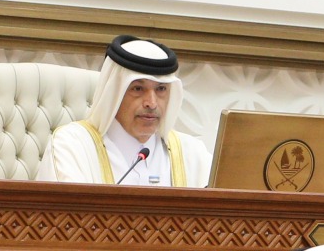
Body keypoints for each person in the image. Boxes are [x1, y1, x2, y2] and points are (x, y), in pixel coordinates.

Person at [35, 35, 211, 186]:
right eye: (138, 89)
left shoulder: (192, 154)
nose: (152, 103)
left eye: (161, 89)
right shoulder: (73, 146)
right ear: (114, 93)